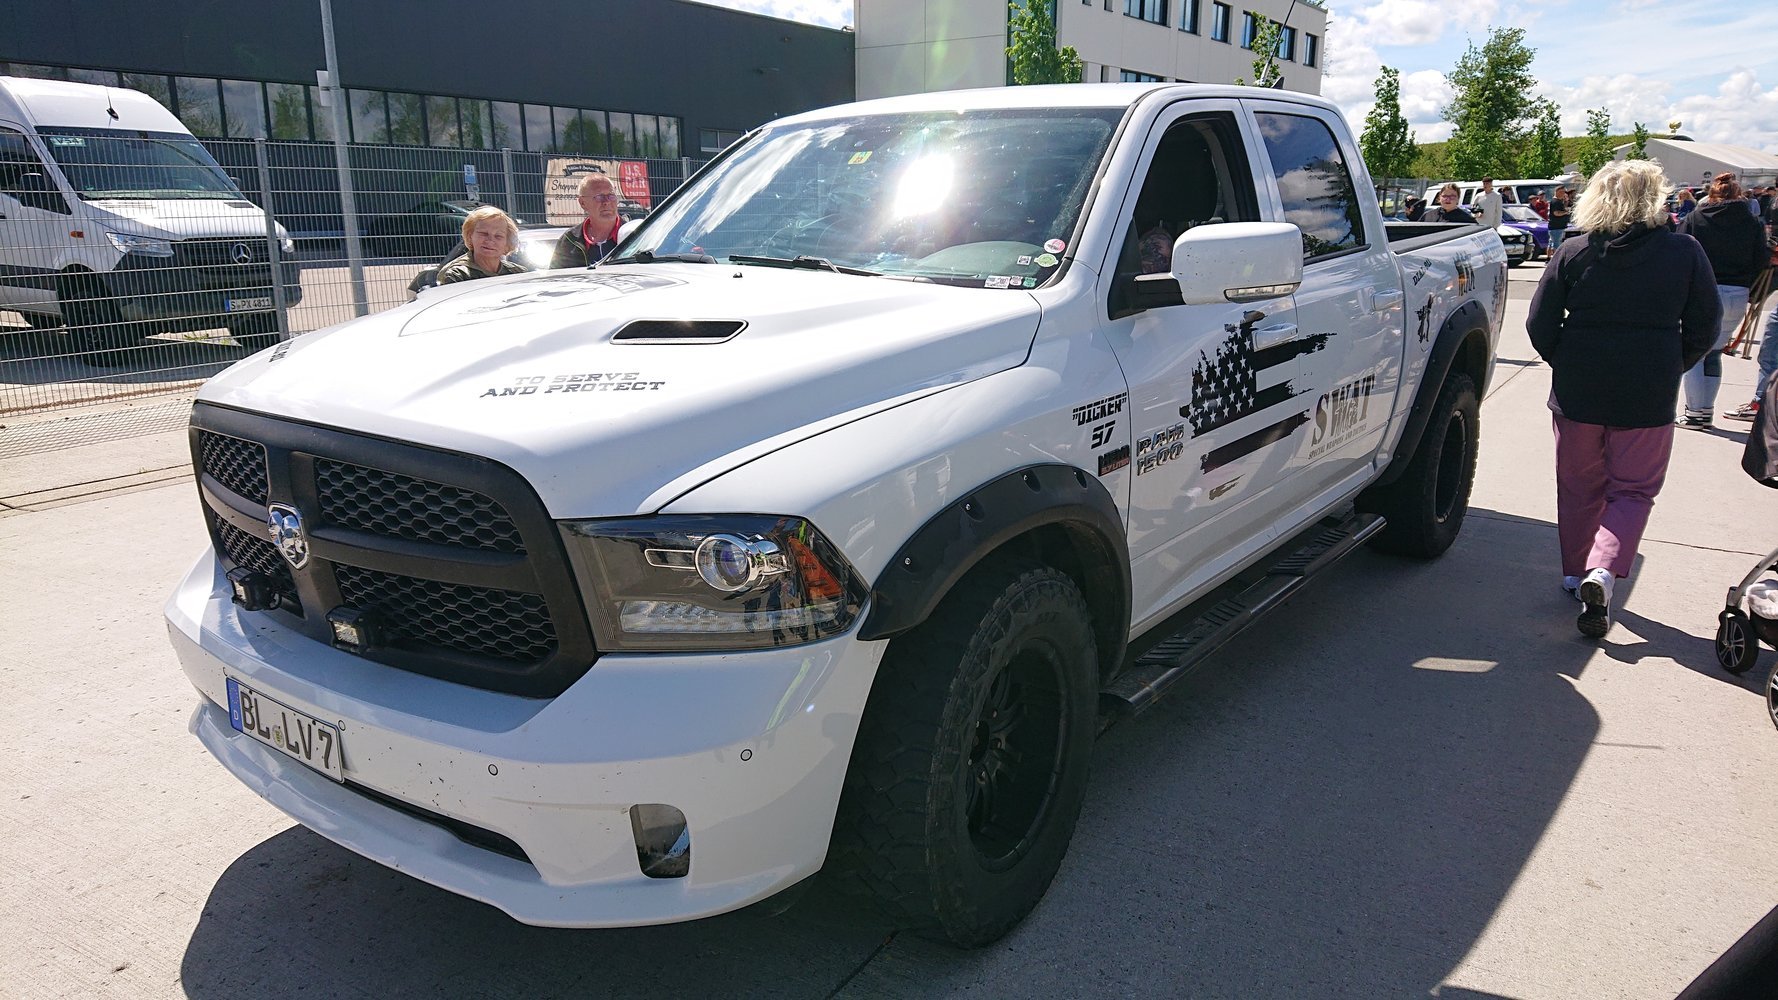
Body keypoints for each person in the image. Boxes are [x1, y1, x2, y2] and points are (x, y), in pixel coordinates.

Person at [1526, 159, 1720, 638]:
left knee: (1578, 486)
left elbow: (1539, 323)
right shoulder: (1685, 251)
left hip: (1578, 389)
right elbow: (1705, 325)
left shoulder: (1574, 251)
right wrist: (1672, 363)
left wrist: (1564, 360)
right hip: (1648, 391)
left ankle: (1577, 572)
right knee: (1633, 490)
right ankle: (1604, 568)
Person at [1674, 172, 1768, 427]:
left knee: (1695, 353)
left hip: (1703, 290)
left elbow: (1679, 251)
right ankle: (1705, 410)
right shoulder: (1752, 222)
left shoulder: (1696, 218)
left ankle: (1695, 412)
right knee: (1714, 353)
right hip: (1737, 292)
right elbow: (1761, 258)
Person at [436, 205, 528, 284]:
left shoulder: (518, 274)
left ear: (507, 242)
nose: (490, 241)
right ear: (470, 235)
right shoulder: (457, 275)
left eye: (498, 236)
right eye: (483, 234)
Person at [550, 171, 625, 269]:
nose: (607, 202)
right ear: (582, 203)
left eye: (611, 195)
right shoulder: (570, 240)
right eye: (599, 197)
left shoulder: (635, 236)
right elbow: (557, 276)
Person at [1548, 186, 1572, 251]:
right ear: (1558, 192)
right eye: (1563, 192)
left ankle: (1549, 256)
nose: (1564, 193)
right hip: (1557, 227)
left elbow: (1562, 208)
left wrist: (1566, 201)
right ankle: (1556, 257)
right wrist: (1566, 212)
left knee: (1551, 243)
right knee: (1557, 245)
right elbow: (1556, 213)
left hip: (1558, 226)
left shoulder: (1559, 201)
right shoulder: (1555, 202)